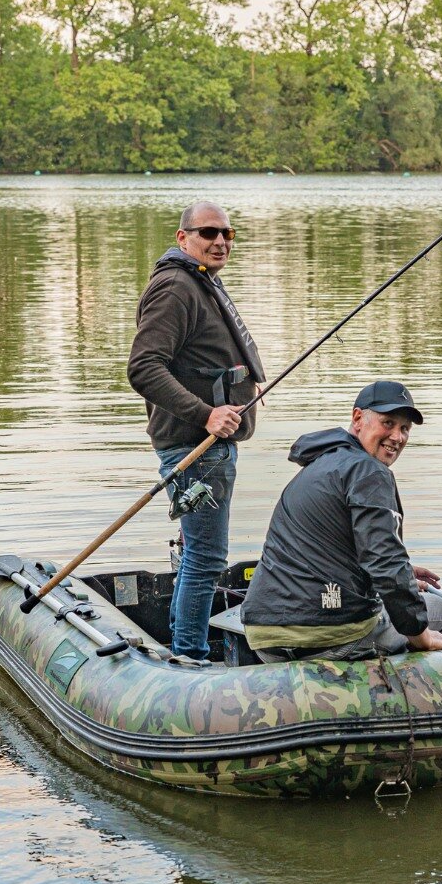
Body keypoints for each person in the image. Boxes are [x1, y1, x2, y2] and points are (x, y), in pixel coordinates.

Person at [128, 201, 264, 661]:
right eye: (208, 233)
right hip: (196, 448)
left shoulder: (200, 280)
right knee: (207, 559)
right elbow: (144, 367)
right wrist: (207, 413)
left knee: (197, 554)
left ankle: (185, 642)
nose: (220, 241)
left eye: (228, 233)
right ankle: (189, 654)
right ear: (183, 237)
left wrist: (245, 384)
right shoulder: (176, 287)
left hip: (210, 449)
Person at [241, 382, 442, 662]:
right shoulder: (370, 472)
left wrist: (404, 574)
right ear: (358, 419)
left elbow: (335, 550)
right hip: (329, 633)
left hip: (264, 634)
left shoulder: (322, 462)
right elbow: (384, 562)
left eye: (405, 429)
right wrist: (421, 636)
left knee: (407, 599)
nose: (397, 437)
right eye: (388, 423)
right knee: (436, 610)